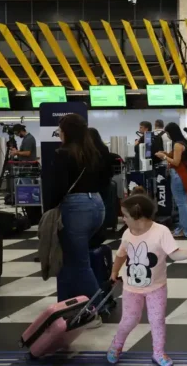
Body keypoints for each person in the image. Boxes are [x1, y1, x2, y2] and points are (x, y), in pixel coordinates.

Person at [107, 194, 187, 366]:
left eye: (125, 215)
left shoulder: (161, 232)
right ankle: (116, 344)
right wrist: (114, 271)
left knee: (157, 321)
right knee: (129, 320)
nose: (123, 219)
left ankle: (158, 352)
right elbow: (121, 254)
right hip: (131, 288)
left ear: (138, 217)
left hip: (156, 287)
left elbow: (174, 254)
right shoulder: (127, 233)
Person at [47, 114, 110, 301]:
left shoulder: (63, 154)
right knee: (70, 260)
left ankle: (98, 306)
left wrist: (49, 209)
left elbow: (58, 187)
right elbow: (104, 181)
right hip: (97, 205)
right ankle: (67, 302)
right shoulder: (94, 153)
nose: (59, 133)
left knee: (80, 263)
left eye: (60, 130)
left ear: (66, 132)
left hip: (76, 209)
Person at [155, 123, 187, 239]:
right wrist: (166, 154)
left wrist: (164, 157)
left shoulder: (177, 144)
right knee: (183, 203)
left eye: (167, 133)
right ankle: (182, 228)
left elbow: (176, 162)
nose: (167, 135)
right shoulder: (183, 142)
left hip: (177, 175)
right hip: (183, 174)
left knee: (181, 203)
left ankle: (185, 230)